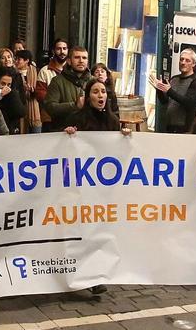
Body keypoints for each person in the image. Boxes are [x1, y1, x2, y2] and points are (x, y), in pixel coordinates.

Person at [62, 77, 131, 296]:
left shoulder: (112, 121)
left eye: (103, 92)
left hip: (102, 187)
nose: (100, 96)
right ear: (87, 96)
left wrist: (124, 138)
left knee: (99, 231)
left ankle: (94, 276)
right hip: (82, 186)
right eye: (95, 92)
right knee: (82, 232)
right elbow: (63, 147)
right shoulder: (77, 120)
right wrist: (68, 135)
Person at [149, 49, 196, 133]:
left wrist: (169, 91)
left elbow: (189, 103)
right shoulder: (174, 79)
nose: (183, 62)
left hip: (185, 128)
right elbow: (164, 101)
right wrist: (159, 89)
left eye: (187, 60)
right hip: (169, 126)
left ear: (193, 64)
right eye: (181, 59)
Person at [43, 46, 91, 132]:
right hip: (64, 132)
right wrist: (74, 105)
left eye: (84, 58)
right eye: (77, 57)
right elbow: (50, 107)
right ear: (69, 61)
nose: (81, 61)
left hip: (88, 132)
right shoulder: (57, 81)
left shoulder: (94, 82)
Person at [37, 39, 68, 131]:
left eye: (64, 48)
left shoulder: (73, 71)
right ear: (53, 51)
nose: (62, 52)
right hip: (49, 118)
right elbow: (40, 94)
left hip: (70, 117)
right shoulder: (45, 71)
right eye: (59, 49)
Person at [15, 50, 42, 134]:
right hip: (20, 106)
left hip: (34, 107)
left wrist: (32, 91)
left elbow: (40, 89)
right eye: (16, 59)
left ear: (26, 60)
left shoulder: (36, 71)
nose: (16, 61)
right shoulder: (14, 73)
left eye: (19, 59)